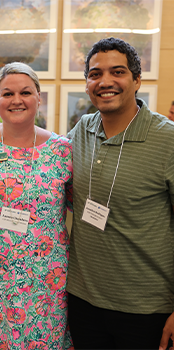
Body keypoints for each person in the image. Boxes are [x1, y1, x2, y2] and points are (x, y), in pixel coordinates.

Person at [0, 62, 73, 349]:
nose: (16, 100)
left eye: (25, 92)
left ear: (38, 98)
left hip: (44, 277)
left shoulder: (62, 151)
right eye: (7, 93)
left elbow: (75, 207)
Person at [66, 37, 174, 350]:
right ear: (87, 83)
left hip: (146, 309)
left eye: (118, 72)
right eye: (95, 74)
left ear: (137, 80)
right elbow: (43, 166)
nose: (105, 82)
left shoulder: (167, 141)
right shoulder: (82, 129)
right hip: (83, 301)